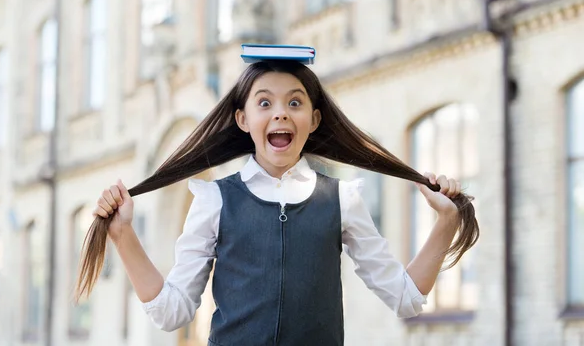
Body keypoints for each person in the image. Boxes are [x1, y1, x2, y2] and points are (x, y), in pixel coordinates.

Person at [76, 59, 478, 346]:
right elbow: (171, 313)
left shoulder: (342, 200)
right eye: (264, 103)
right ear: (243, 119)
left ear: (315, 120)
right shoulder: (215, 199)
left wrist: (445, 224)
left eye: (296, 102)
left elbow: (406, 298)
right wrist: (123, 235)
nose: (281, 113)